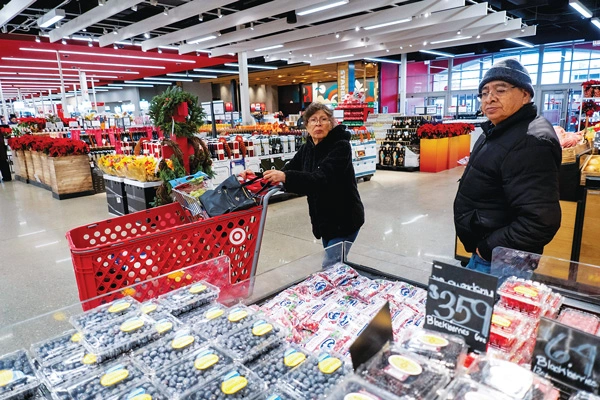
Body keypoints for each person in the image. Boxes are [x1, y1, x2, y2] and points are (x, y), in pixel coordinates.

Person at [454, 59, 561, 275]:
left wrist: (487, 249)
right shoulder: (499, 130)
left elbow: (540, 221)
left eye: (500, 90)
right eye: (484, 93)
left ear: (525, 95)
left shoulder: (531, 141)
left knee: (496, 309)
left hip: (503, 261)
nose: (489, 98)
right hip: (490, 254)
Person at [245, 102, 365, 260]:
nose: (318, 123)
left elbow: (320, 179)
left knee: (331, 266)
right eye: (313, 120)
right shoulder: (307, 148)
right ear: (307, 125)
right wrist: (257, 176)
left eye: (323, 119)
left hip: (345, 218)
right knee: (338, 265)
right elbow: (287, 170)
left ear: (331, 123)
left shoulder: (341, 147)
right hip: (325, 221)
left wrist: (286, 177)